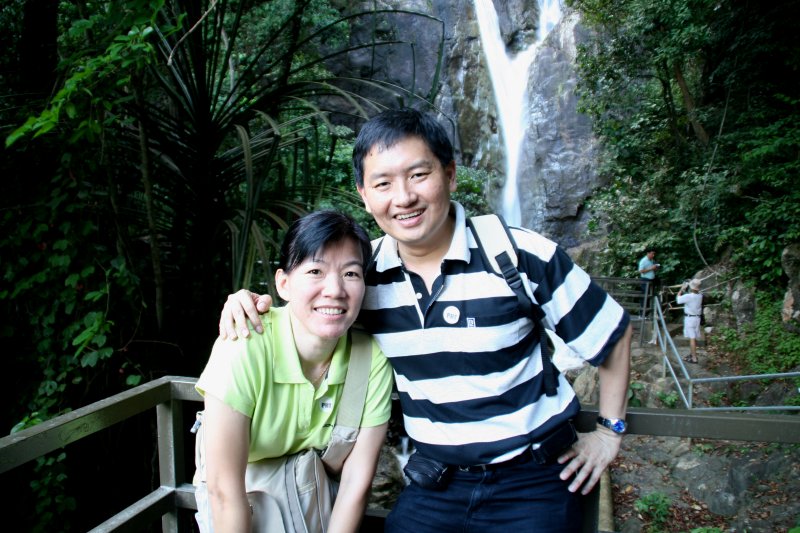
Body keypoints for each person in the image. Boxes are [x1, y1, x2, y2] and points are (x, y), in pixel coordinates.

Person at [217, 108, 632, 532]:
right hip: (436, 483)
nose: (404, 197)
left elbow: (611, 333)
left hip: (534, 481)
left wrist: (609, 431)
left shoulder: (518, 255)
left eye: (418, 175)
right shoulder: (364, 273)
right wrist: (247, 302)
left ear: (449, 174)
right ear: (364, 194)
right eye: (383, 183)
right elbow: (315, 309)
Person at [195, 211, 393, 533]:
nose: (335, 290)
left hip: (315, 507)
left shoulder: (371, 360)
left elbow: (356, 485)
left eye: (351, 274)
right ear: (283, 284)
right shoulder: (245, 344)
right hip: (240, 509)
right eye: (315, 270)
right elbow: (223, 489)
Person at [676, 278, 703, 364]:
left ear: (691, 287)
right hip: (697, 319)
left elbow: (678, 299)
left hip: (690, 319)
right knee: (693, 337)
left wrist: (682, 289)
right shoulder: (700, 295)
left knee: (692, 338)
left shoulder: (689, 296)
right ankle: (692, 354)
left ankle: (694, 358)